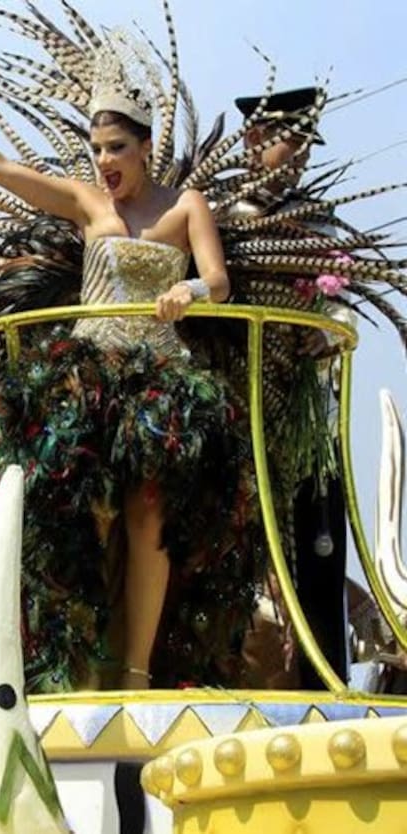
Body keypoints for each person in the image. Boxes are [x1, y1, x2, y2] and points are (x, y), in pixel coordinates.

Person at [0, 65, 232, 690]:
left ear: (147, 147)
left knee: (147, 516)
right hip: (84, 379)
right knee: (56, 505)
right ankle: (54, 654)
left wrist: (190, 289)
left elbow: (219, 282)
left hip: (155, 384)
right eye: (97, 149)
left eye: (117, 148)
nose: (104, 161)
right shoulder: (85, 201)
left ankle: (135, 671)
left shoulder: (185, 208)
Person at [232, 87, 351, 689]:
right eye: (290, 140)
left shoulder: (320, 217)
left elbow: (341, 310)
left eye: (306, 143)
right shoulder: (229, 214)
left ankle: (322, 678)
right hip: (245, 403)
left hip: (306, 412)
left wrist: (326, 335)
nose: (300, 153)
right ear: (255, 140)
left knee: (319, 543)